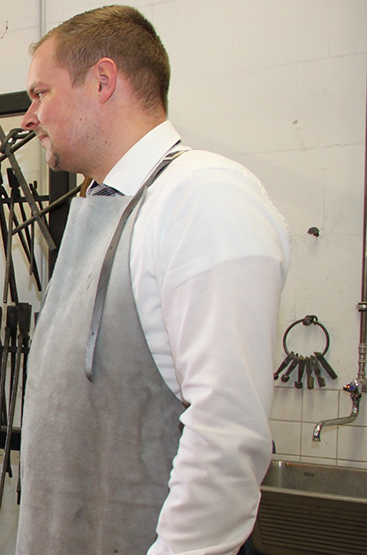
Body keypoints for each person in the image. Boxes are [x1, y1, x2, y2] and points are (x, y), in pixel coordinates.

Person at [16, 6, 290, 554]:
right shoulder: (100, 206)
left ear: (102, 80)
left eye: (41, 94)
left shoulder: (202, 196)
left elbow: (226, 434)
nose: (29, 117)